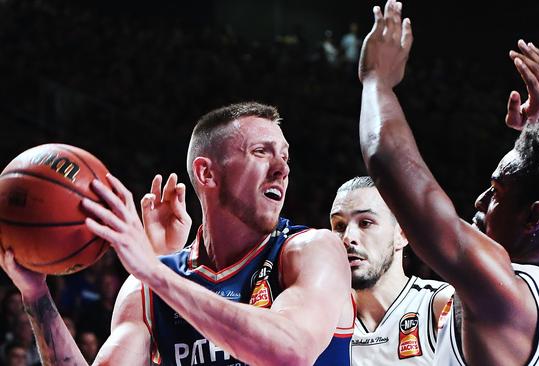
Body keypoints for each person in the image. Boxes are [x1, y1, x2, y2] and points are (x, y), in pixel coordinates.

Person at [356, 1, 539, 365]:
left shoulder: (499, 290)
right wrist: (538, 133)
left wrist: (377, 80)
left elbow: (388, 162)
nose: (480, 201)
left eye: (497, 192)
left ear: (534, 218)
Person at [0, 102, 354, 365]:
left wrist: (154, 269)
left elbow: (290, 351)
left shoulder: (313, 250)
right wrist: (36, 293)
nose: (282, 169)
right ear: (207, 174)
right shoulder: (147, 288)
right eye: (261, 152)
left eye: (286, 157)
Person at [330, 176, 452, 365]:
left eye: (365, 223)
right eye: (339, 226)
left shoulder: (439, 305)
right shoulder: (323, 315)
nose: (348, 237)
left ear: (402, 234)